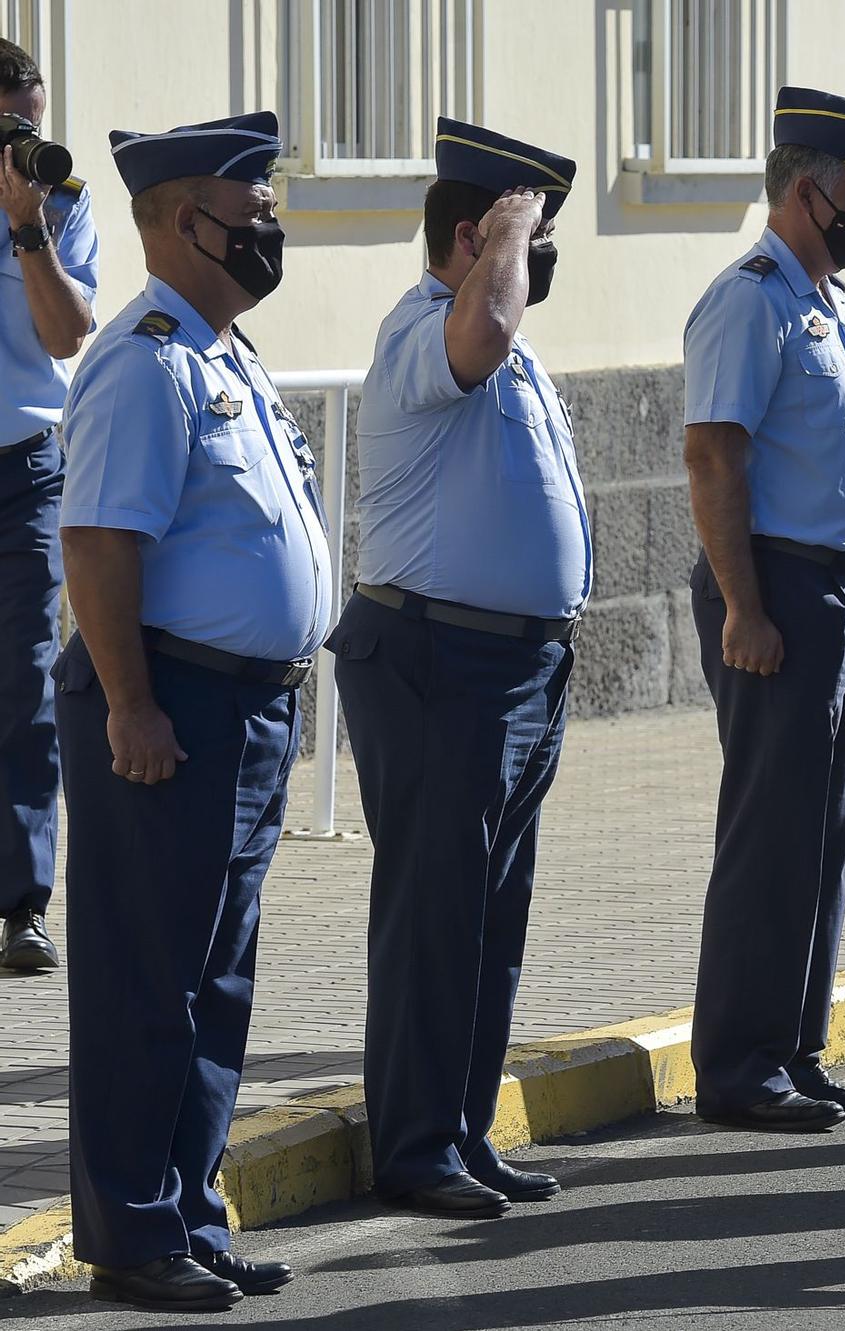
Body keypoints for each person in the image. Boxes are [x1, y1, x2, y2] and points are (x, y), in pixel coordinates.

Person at [58, 111, 326, 1312]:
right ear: (181, 221)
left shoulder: (226, 353)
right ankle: (129, 1231)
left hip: (245, 709)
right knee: (144, 978)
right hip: (168, 704)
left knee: (215, 979)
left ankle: (186, 1208)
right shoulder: (145, 357)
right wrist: (128, 702)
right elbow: (100, 542)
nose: (270, 226)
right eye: (253, 209)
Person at [330, 119, 586, 1220]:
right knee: (436, 912)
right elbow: (479, 331)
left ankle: (462, 1128)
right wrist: (507, 243)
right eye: (530, 235)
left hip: (515, 666)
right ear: (474, 237)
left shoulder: (500, 336)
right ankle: (416, 1143)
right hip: (438, 658)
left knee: (491, 917)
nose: (538, 259)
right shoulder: (429, 328)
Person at [682, 87, 845, 1133]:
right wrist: (742, 605)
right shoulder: (750, 298)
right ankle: (736, 1062)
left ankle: (792, 1049)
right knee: (771, 828)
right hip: (774, 584)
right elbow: (712, 452)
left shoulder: (826, 301)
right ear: (809, 192)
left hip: (837, 587)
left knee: (825, 830)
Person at [0, 38, 93, 973]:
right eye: (10, 126)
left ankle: (21, 906)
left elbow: (68, 335)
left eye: (32, 122)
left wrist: (27, 229)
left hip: (25, 467)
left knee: (25, 683)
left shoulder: (61, 206)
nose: (27, 141)